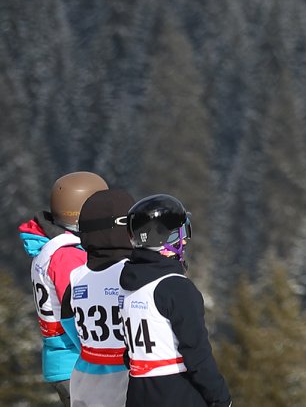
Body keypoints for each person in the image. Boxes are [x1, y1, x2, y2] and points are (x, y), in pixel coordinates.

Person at [118, 195, 230, 407]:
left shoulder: (128, 285)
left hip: (138, 392)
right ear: (162, 239)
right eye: (181, 233)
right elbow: (197, 353)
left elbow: (129, 352)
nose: (185, 240)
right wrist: (221, 398)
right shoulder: (176, 287)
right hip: (176, 392)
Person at [19, 171, 108, 406]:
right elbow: (80, 311)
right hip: (77, 361)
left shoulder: (53, 249)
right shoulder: (68, 256)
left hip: (65, 359)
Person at [66, 187, 136, 407]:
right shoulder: (134, 274)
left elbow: (69, 326)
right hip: (125, 385)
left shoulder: (76, 277)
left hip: (84, 383)